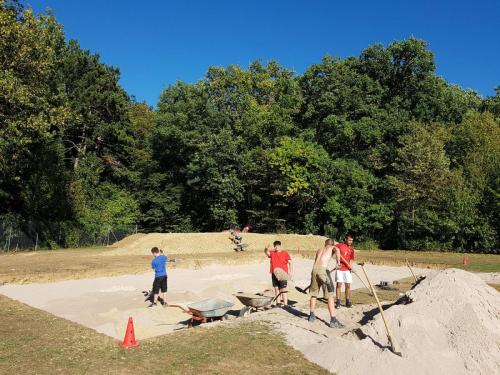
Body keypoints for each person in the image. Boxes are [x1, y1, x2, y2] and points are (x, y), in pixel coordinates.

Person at [308, 239, 344, 328]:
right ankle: (333, 320)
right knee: (330, 295)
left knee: (314, 294)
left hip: (314, 270)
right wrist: (338, 263)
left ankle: (311, 315)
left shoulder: (320, 249)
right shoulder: (333, 247)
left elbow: (318, 261)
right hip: (323, 271)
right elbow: (337, 250)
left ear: (325, 243)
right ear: (332, 244)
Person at [264, 240, 292, 306]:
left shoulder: (285, 253)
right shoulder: (272, 253)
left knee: (283, 289)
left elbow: (290, 263)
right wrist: (265, 248)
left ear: (280, 246)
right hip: (274, 274)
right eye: (275, 246)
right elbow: (267, 252)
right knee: (276, 288)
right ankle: (278, 303)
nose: (276, 247)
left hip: (283, 274)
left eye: (277, 246)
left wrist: (290, 272)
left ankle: (285, 304)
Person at [335, 234, 355, 308]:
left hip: (347, 269)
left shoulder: (352, 249)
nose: (351, 242)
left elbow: (351, 259)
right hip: (340, 268)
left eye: (352, 240)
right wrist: (337, 262)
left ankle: (347, 301)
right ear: (345, 239)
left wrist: (351, 266)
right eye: (349, 240)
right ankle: (338, 302)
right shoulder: (339, 246)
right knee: (339, 285)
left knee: (348, 286)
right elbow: (332, 248)